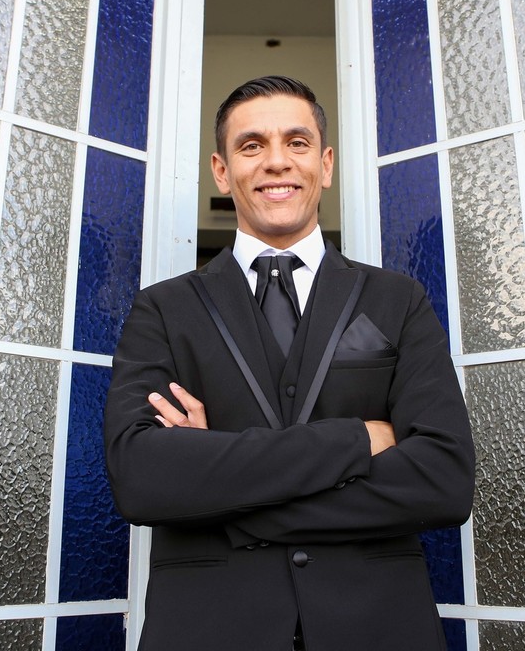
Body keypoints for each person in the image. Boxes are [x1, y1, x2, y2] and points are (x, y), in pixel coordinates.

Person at [103, 75, 475, 651]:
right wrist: (355, 439)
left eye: (296, 143)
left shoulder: (398, 301)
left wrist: (222, 495)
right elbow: (144, 479)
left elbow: (443, 481)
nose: (277, 162)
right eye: (252, 146)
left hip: (379, 627)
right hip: (208, 631)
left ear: (324, 164)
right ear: (222, 171)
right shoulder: (163, 309)